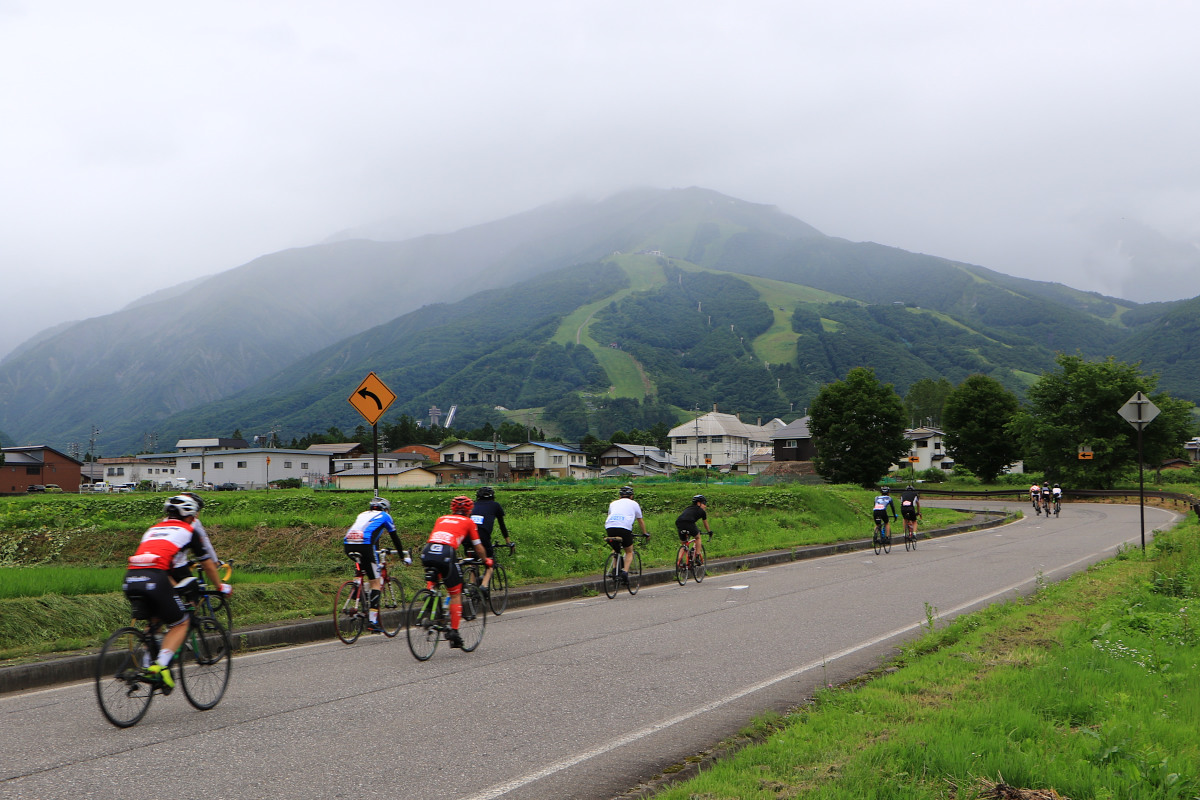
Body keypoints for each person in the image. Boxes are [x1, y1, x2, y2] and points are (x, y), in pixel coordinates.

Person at [122, 494, 232, 692]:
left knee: (154, 622)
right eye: (195, 514)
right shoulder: (189, 531)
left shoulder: (153, 529)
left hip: (131, 579)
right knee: (181, 622)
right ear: (190, 515)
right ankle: (161, 665)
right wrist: (220, 586)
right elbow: (207, 561)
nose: (196, 518)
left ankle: (147, 665)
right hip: (157, 578)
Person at [421, 495, 491, 648]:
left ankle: (430, 601)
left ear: (453, 509)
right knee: (455, 593)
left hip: (427, 552)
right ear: (469, 510)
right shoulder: (468, 522)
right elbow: (478, 547)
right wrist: (486, 561)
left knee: (434, 578)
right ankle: (454, 631)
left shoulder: (441, 519)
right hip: (446, 553)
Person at [343, 496, 407, 633]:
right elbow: (394, 538)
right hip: (365, 546)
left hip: (348, 544)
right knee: (375, 583)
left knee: (362, 567)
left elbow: (370, 536)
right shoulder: (385, 516)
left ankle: (357, 588)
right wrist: (402, 556)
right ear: (386, 509)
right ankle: (373, 621)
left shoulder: (362, 514)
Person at [468, 486, 512, 593]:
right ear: (492, 497)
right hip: (482, 537)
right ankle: (484, 585)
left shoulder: (472, 505)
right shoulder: (495, 505)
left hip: (467, 536)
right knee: (490, 562)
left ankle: (471, 586)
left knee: (473, 561)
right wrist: (508, 542)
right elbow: (502, 525)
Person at [604, 485, 648, 583]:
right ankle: (625, 572)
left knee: (616, 549)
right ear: (631, 496)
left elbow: (611, 515)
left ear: (620, 496)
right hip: (625, 527)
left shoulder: (613, 503)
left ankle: (615, 570)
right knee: (629, 552)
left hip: (610, 526)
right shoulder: (634, 503)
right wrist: (645, 533)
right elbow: (640, 520)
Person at [675, 494, 712, 561]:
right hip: (689, 523)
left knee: (684, 544)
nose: (705, 506)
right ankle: (697, 557)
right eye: (704, 503)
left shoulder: (688, 508)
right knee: (698, 538)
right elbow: (705, 524)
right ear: (698, 503)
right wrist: (709, 531)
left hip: (679, 522)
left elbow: (686, 517)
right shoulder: (702, 511)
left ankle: (679, 562)